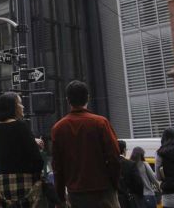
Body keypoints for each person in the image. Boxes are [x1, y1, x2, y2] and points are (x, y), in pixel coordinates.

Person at [51, 80, 121, 208]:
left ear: (68, 100)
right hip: (103, 191)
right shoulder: (100, 123)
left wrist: (60, 197)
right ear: (87, 98)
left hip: (76, 193)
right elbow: (114, 156)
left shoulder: (58, 128)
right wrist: (114, 184)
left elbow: (57, 167)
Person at [0, 92, 44, 207]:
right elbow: (37, 159)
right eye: (20, 103)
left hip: (3, 183)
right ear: (13, 107)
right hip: (24, 182)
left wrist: (31, 140)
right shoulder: (21, 126)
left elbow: (10, 143)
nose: (23, 106)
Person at [118, 140, 145, 208]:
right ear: (124, 150)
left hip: (113, 200)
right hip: (128, 200)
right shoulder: (130, 164)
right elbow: (138, 183)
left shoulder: (109, 164)